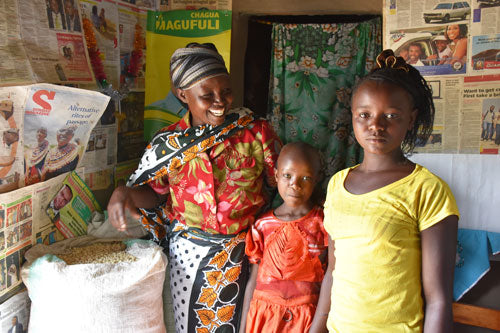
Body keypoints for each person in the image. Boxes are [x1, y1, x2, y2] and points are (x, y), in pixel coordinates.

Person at [107, 44, 281, 333]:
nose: (220, 102)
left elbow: (283, 183)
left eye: (226, 91)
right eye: (207, 95)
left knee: (247, 324)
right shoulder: (169, 145)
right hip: (190, 255)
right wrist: (122, 194)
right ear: (182, 94)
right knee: (191, 324)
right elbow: (154, 195)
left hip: (247, 251)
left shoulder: (254, 131)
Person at [309, 50, 459, 332]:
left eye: (391, 115)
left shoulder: (426, 189)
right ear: (352, 116)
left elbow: (438, 299)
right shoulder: (337, 184)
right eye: (364, 114)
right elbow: (333, 270)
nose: (375, 125)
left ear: (411, 119)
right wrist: (317, 328)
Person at [239, 142, 327, 333]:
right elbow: (253, 282)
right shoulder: (262, 224)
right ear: (276, 175)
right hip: (263, 316)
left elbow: (331, 278)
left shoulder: (324, 224)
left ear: (317, 179)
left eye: (305, 177)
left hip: (307, 318)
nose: (295, 184)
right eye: (287, 176)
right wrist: (243, 328)